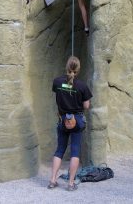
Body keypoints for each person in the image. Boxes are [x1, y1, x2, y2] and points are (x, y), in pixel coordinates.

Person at [48, 56, 92, 191]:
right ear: (78, 70)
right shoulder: (82, 86)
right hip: (76, 120)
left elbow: (58, 93)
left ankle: (52, 181)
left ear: (66, 67)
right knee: (75, 151)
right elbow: (86, 106)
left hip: (62, 119)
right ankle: (71, 183)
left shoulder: (57, 82)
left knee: (59, 150)